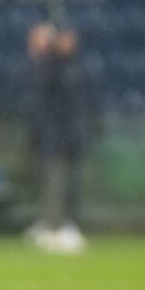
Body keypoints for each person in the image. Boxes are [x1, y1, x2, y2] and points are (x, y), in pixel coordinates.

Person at [27, 24, 100, 254]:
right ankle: (53, 228)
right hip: (54, 136)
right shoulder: (50, 68)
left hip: (72, 136)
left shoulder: (77, 69)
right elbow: (43, 104)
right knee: (55, 183)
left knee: (71, 185)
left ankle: (64, 226)